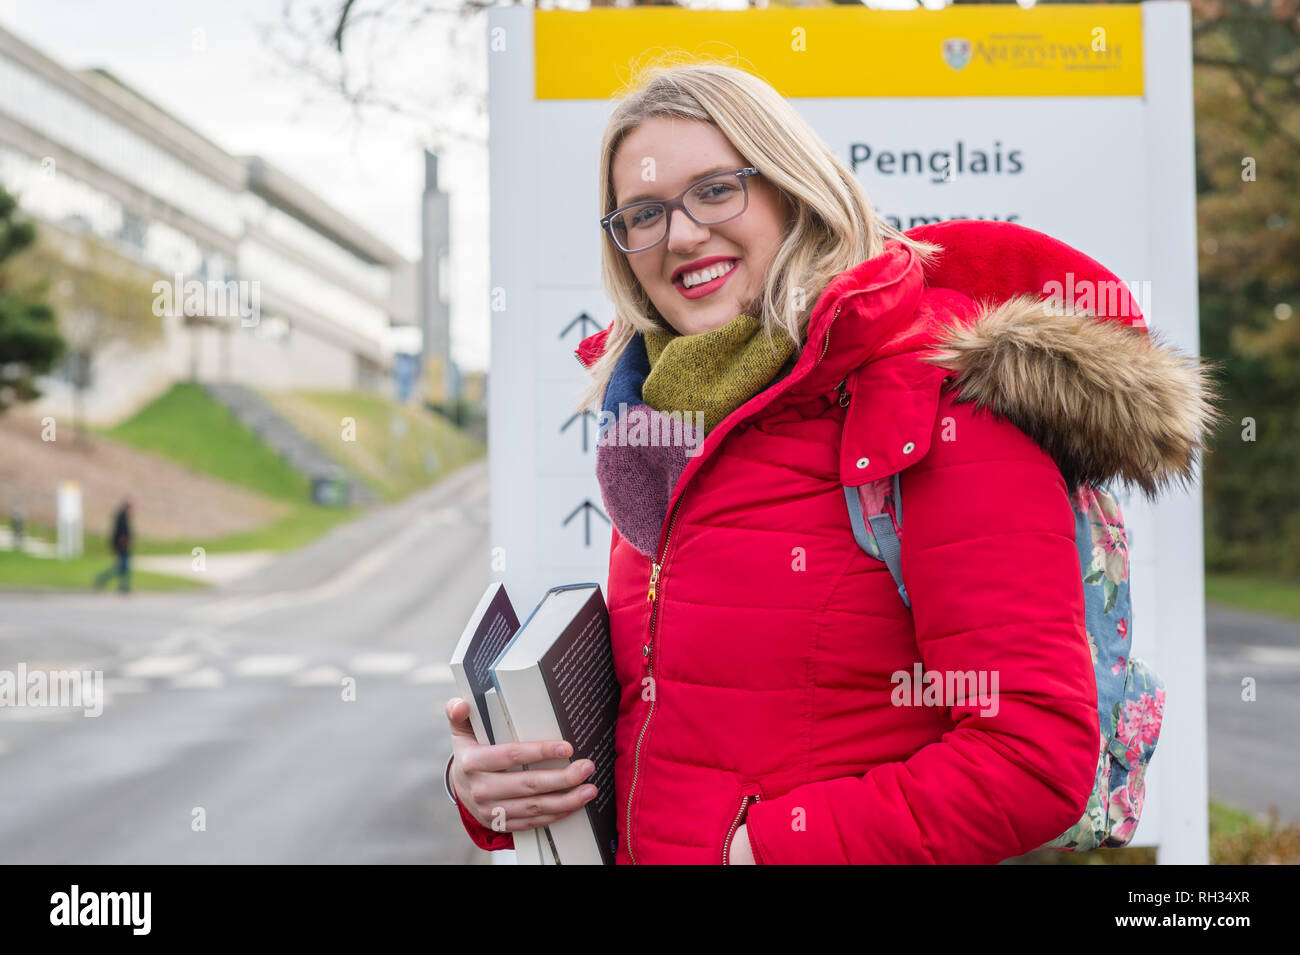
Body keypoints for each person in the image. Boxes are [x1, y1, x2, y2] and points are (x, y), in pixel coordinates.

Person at [442, 62, 1221, 864]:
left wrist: (766, 850)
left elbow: (1032, 756)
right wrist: (502, 788)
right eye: (642, 213)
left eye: (716, 190)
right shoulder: (661, 421)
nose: (679, 235)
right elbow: (678, 730)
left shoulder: (935, 397)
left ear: (792, 189)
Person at [94, 498, 132, 593]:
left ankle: (123, 585)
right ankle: (103, 578)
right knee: (121, 567)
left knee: (123, 568)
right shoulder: (122, 517)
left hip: (122, 546)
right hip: (122, 547)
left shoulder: (123, 516)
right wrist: (122, 544)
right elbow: (121, 534)